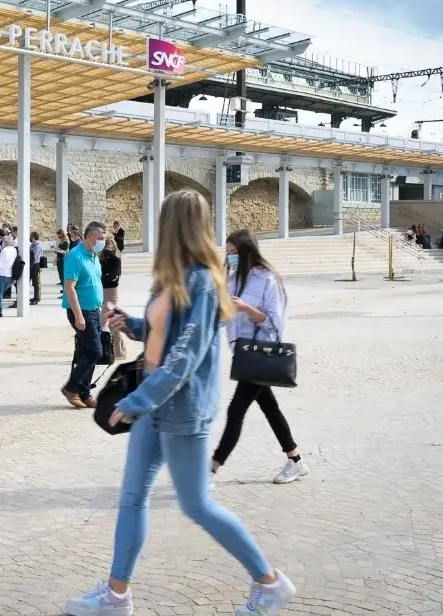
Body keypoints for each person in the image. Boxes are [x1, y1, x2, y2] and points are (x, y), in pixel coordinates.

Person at [64, 190, 296, 616]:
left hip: (183, 410)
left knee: (197, 504)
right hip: (155, 403)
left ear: (173, 225)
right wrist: (130, 324)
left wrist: (136, 400)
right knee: (133, 496)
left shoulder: (204, 281)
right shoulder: (172, 276)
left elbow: (185, 358)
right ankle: (117, 595)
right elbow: (164, 334)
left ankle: (270, 582)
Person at [212, 229, 308, 485]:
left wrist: (246, 308)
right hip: (243, 355)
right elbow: (224, 318)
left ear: (246, 252)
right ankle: (296, 460)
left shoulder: (266, 280)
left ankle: (211, 467)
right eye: (228, 253)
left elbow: (275, 325)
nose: (230, 257)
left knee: (235, 411)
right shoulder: (232, 281)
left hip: (261, 354)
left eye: (234, 253)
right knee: (270, 409)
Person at [60, 222, 106, 409]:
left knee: (89, 353)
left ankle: (84, 393)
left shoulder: (94, 256)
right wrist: (78, 316)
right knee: (95, 351)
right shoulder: (76, 256)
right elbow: (70, 287)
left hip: (94, 310)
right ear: (89, 238)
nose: (103, 241)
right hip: (81, 311)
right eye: (100, 238)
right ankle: (71, 388)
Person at [100, 237, 126, 360]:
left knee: (109, 321)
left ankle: (120, 351)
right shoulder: (100, 259)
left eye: (111, 247)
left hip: (111, 293)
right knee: (108, 323)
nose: (109, 249)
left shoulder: (116, 260)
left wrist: (104, 276)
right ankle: (113, 351)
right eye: (107, 247)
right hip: (101, 292)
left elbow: (112, 277)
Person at [55, 228, 70, 296]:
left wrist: (58, 251)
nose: (58, 236)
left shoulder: (66, 242)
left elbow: (66, 252)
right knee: (61, 276)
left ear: (62, 234)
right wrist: (55, 248)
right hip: (59, 259)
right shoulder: (61, 241)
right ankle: (64, 290)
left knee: (63, 277)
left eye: (59, 235)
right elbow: (59, 249)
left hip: (63, 260)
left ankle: (65, 292)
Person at [29, 231, 42, 305]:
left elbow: (34, 255)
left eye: (31, 236)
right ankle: (34, 297)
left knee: (35, 282)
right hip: (31, 265)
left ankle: (36, 298)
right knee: (30, 281)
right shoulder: (33, 244)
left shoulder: (37, 245)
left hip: (35, 265)